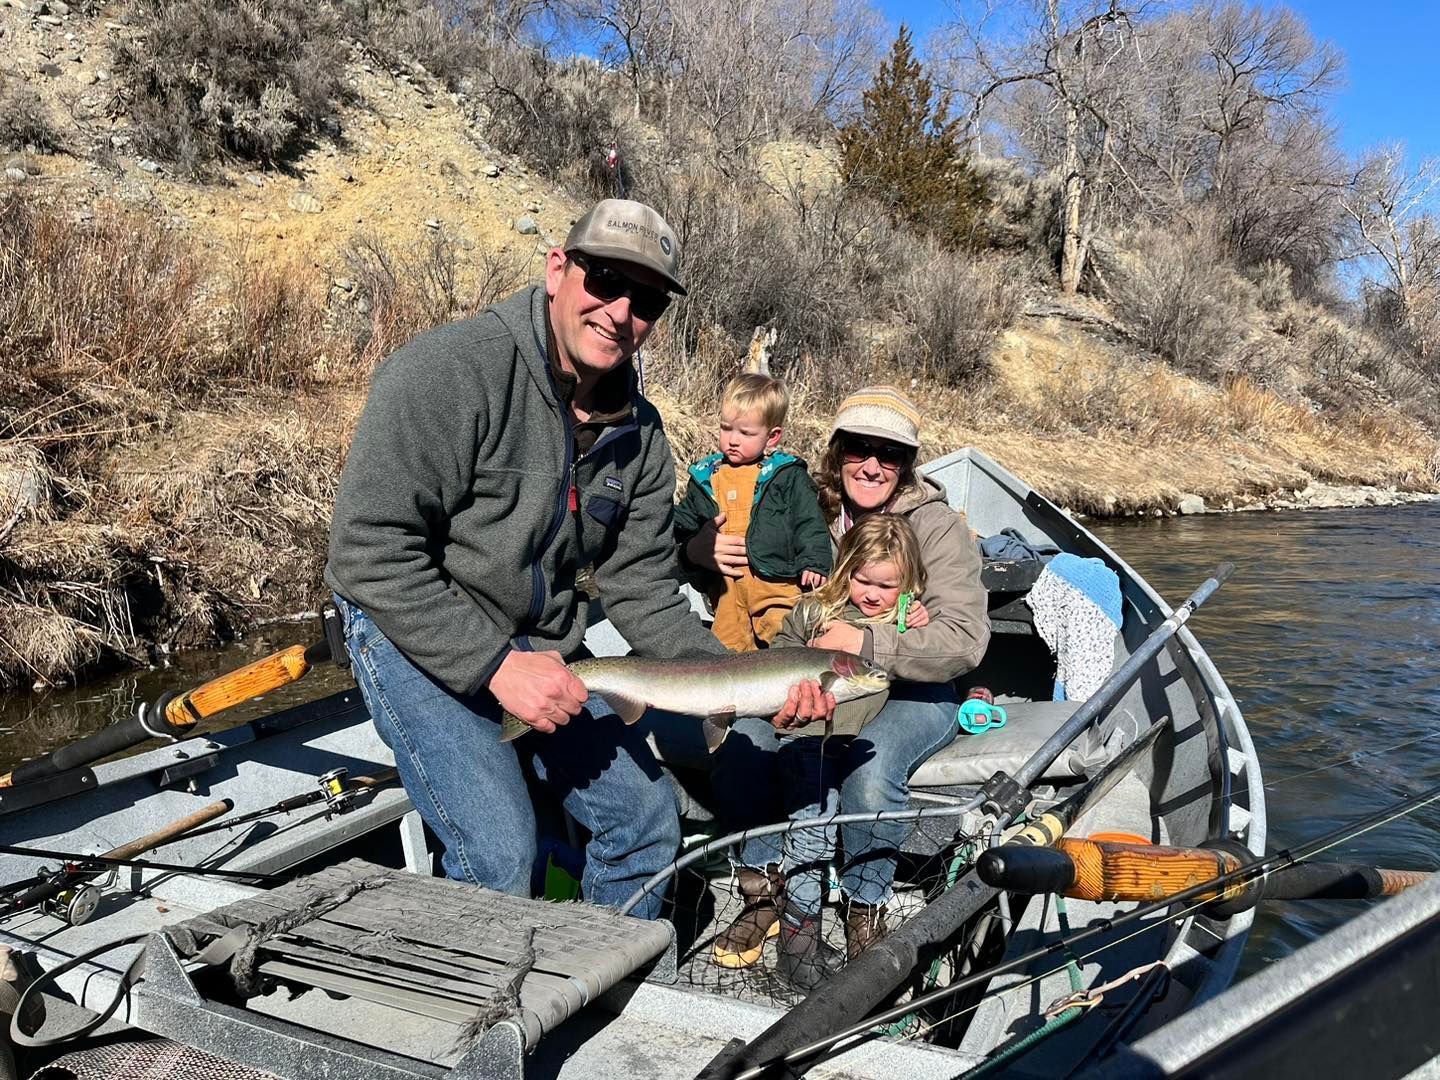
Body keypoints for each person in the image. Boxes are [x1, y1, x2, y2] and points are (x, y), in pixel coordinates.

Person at [324, 198, 832, 919]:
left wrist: (737, 681)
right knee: (501, 853)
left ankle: (611, 996)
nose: (620, 310)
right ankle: (482, 1025)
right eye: (604, 279)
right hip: (408, 623)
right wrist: (497, 668)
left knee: (645, 820)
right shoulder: (448, 371)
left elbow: (646, 590)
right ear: (558, 268)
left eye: (647, 299)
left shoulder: (643, 436)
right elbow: (367, 551)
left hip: (540, 646)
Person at [701, 385, 990, 955]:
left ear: (908, 465)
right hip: (806, 679)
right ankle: (764, 895)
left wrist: (863, 640)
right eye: (859, 448)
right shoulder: (800, 504)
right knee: (745, 746)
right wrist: (699, 548)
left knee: (871, 769)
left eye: (891, 455)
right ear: (838, 452)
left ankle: (865, 908)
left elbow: (963, 642)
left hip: (912, 689)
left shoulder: (937, 529)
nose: (873, 465)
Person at [712, 514, 930, 988]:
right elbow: (782, 650)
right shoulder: (814, 610)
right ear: (845, 569)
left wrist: (912, 623)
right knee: (806, 824)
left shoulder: (907, 620)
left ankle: (841, 919)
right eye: (862, 579)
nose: (873, 593)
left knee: (820, 825)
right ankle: (784, 918)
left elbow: (931, 656)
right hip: (806, 739)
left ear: (909, 584)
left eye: (888, 586)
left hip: (854, 741)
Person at [673, 372, 833, 651]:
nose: (733, 440)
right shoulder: (706, 477)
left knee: (786, 635)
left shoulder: (787, 475)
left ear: (772, 437)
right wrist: (676, 535)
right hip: (725, 587)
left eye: (746, 433)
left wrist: (814, 562)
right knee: (728, 645)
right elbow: (684, 520)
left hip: (775, 582)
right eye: (726, 428)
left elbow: (809, 522)